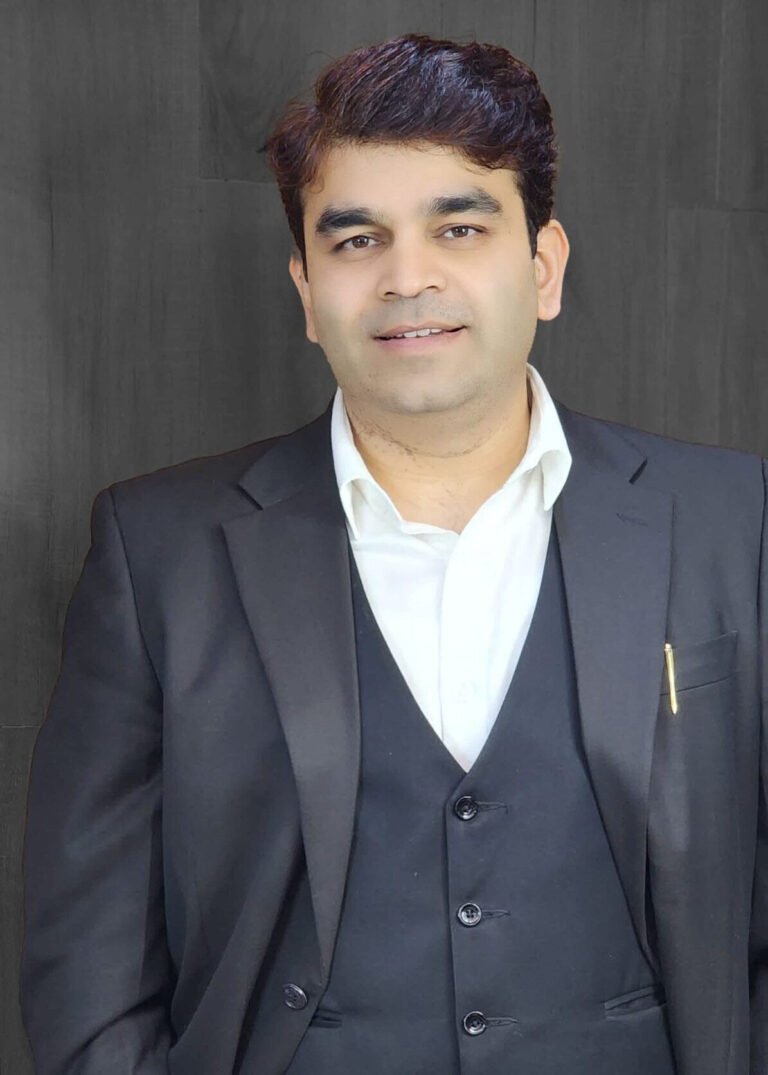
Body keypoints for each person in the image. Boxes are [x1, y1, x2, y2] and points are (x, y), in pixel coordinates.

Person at [19, 30, 768, 1075]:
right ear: (306, 289)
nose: (407, 277)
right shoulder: (158, 552)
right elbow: (88, 963)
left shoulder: (737, 522)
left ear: (544, 267)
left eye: (459, 227)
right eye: (357, 240)